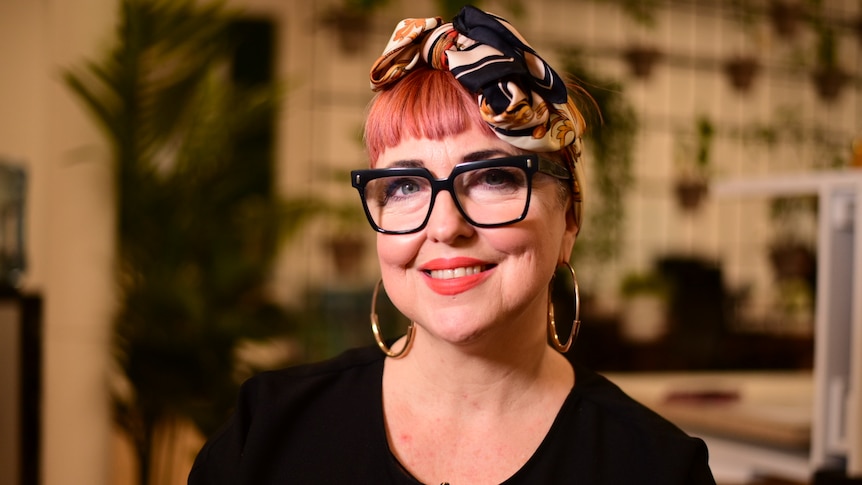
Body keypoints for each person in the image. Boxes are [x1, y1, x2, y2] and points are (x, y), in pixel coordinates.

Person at [188, 6, 716, 484]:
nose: (444, 227)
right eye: (403, 186)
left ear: (570, 218)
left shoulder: (657, 469)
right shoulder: (266, 434)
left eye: (492, 178)